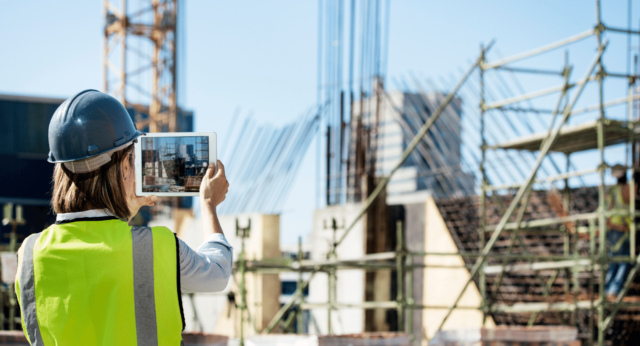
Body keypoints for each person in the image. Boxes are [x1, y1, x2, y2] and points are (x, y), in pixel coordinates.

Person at [15, 90, 232, 345]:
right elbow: (217, 273)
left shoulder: (30, 253)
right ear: (125, 166)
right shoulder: (155, 246)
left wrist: (124, 210)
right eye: (133, 156)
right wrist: (208, 204)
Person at [604, 164, 633, 298]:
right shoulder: (627, 189)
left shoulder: (611, 191)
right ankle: (614, 290)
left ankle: (608, 289)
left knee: (614, 260)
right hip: (623, 229)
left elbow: (608, 212)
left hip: (613, 229)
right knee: (625, 259)